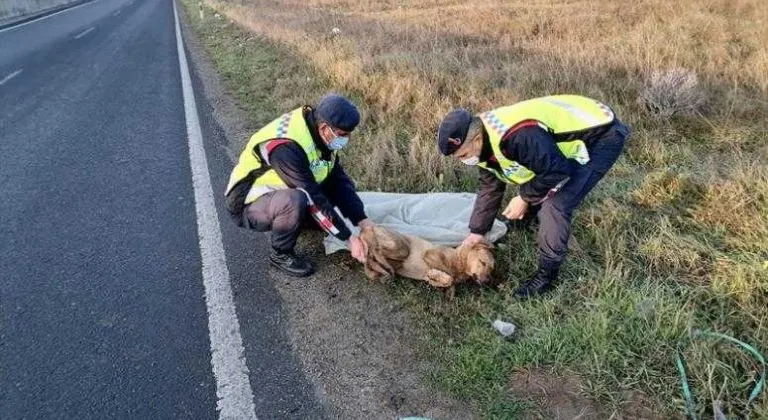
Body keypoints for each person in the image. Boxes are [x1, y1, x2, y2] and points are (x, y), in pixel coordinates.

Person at [437, 94, 630, 298]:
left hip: (601, 135)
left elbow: (557, 172)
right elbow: (490, 186)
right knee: (538, 180)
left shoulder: (516, 136)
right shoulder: (482, 142)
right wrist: (477, 231)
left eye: (463, 155)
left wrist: (524, 198)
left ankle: (547, 275)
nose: (463, 161)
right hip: (561, 138)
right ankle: (527, 219)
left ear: (476, 139)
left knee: (556, 205)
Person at [225, 93, 373, 277]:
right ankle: (280, 253)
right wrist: (350, 239)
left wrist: (362, 220)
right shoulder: (286, 147)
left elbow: (338, 180)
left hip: (279, 191)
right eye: (343, 135)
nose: (347, 139)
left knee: (338, 186)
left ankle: (302, 220)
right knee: (296, 199)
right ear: (325, 128)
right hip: (248, 203)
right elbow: (310, 194)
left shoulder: (322, 136)